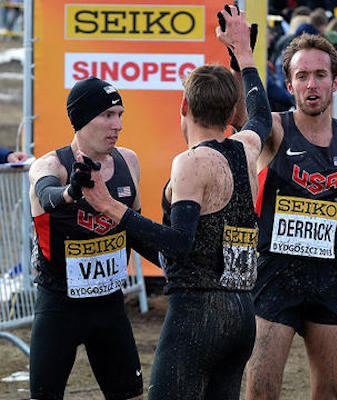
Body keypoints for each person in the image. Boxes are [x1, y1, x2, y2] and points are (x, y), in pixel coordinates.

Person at [81, 5, 272, 399]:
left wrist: (109, 206)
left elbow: (180, 244)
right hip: (241, 312)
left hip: (198, 314)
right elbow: (262, 117)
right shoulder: (246, 148)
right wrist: (245, 56)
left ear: (183, 107)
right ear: (231, 112)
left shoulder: (191, 162)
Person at [242, 33, 337, 399]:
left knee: (331, 394)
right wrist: (243, 57)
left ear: (335, 82)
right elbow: (242, 110)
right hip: (275, 277)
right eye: (303, 75)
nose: (312, 84)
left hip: (330, 280)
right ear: (289, 83)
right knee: (260, 392)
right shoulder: (275, 130)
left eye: (321, 75)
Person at [28, 76, 143, 400]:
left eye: (120, 114)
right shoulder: (51, 165)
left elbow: (136, 227)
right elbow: (46, 193)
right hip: (60, 308)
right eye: (107, 115)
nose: (117, 124)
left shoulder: (128, 161)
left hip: (110, 305)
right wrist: (71, 192)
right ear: (81, 119)